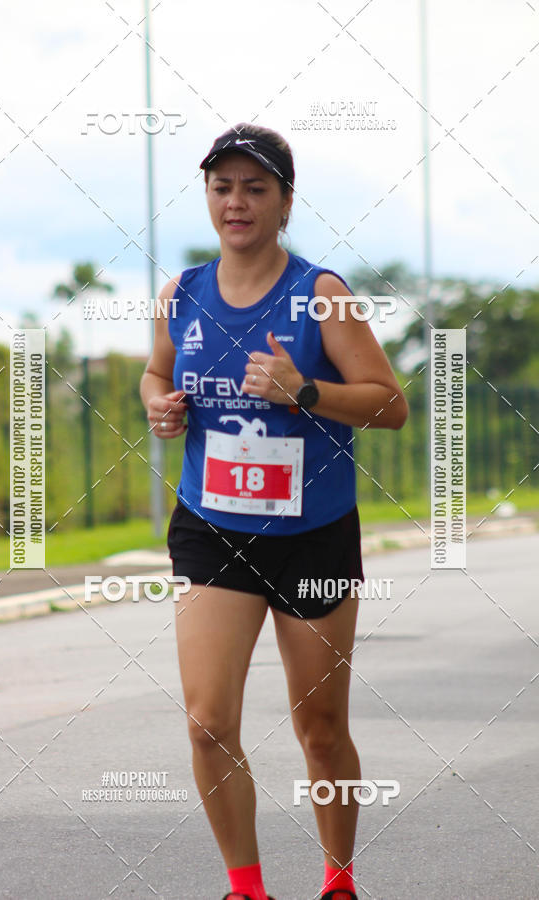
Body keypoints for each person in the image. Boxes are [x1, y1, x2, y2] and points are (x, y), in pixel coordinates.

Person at [140, 123, 408, 900]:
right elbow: (156, 373)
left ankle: (338, 879)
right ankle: (246, 887)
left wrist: (306, 391)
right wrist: (160, 405)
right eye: (222, 187)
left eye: (255, 188)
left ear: (285, 203)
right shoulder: (179, 295)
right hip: (212, 526)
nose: (237, 202)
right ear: (207, 197)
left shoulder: (321, 294)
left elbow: (390, 405)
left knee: (320, 730)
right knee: (206, 720)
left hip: (312, 535)